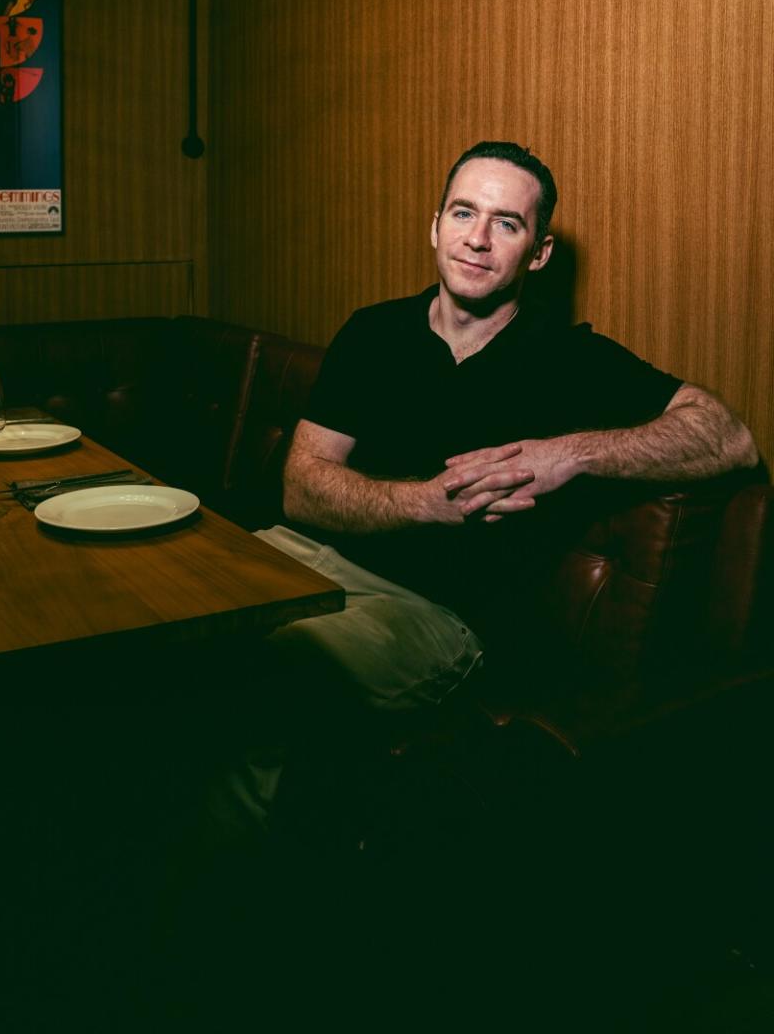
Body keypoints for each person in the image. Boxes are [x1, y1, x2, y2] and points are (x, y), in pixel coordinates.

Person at [219, 140, 758, 836]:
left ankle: (199, 921)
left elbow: (728, 435)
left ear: (538, 252)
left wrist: (571, 454)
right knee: (163, 633)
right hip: (298, 558)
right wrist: (425, 502)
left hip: (431, 617)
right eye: (463, 212)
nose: (477, 238)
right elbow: (302, 486)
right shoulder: (375, 332)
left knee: (252, 673)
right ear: (435, 225)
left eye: (507, 222)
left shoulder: (568, 360)